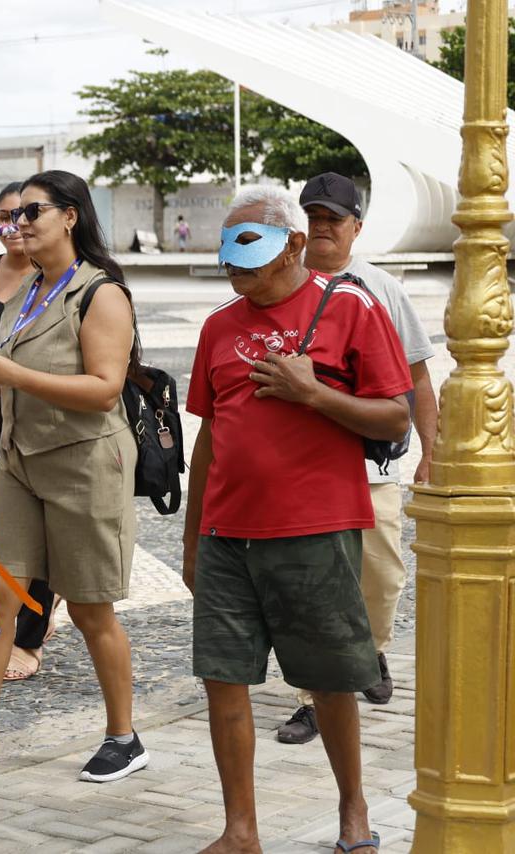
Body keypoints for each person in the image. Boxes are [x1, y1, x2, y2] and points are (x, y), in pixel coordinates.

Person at [184, 185, 411, 854]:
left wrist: (313, 393)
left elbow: (394, 415)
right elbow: (209, 439)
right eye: (226, 248)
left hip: (317, 532)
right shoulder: (218, 327)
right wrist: (194, 538)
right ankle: (241, 831)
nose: (232, 261)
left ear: (293, 245)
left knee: (331, 679)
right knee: (223, 678)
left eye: (247, 245)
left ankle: (353, 812)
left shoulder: (350, 308)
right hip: (227, 537)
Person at [0, 169, 147, 785]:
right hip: (18, 461)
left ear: (70, 216)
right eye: (14, 214)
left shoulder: (101, 294)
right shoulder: (26, 292)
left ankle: (124, 737)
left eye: (32, 211)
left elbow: (105, 390)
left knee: (92, 609)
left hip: (83, 463)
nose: (19, 223)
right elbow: (12, 376)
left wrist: (13, 377)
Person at [276, 172, 438, 745]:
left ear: (356, 228)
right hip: (302, 468)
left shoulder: (382, 289)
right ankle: (314, 699)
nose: (322, 228)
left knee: (382, 577)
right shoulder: (281, 282)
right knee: (313, 588)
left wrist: (431, 451)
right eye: (313, 218)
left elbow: (418, 376)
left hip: (372, 466)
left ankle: (371, 650)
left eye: (333, 219)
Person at [0, 183, 55, 682]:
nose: (14, 224)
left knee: (39, 530)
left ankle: (29, 637)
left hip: (38, 418)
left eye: (24, 213)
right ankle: (4, 617)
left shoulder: (52, 277)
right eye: (3, 215)